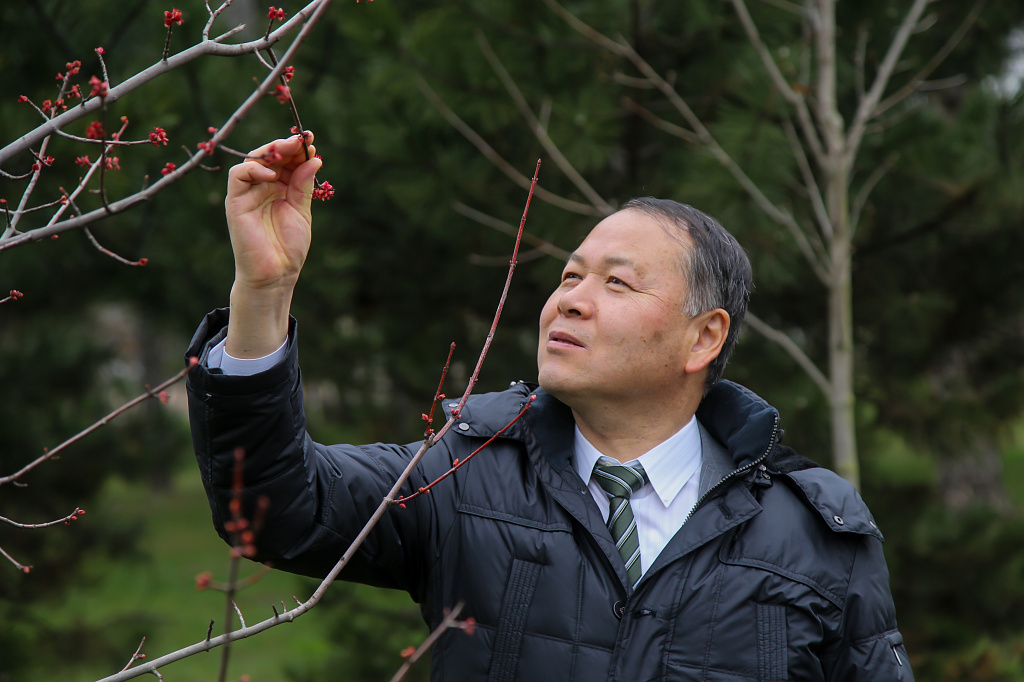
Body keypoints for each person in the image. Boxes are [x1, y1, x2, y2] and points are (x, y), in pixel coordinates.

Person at [186, 133, 914, 681]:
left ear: (704, 337)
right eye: (569, 275)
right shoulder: (465, 476)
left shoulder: (817, 535)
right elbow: (275, 507)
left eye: (617, 285)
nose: (570, 298)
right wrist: (265, 292)